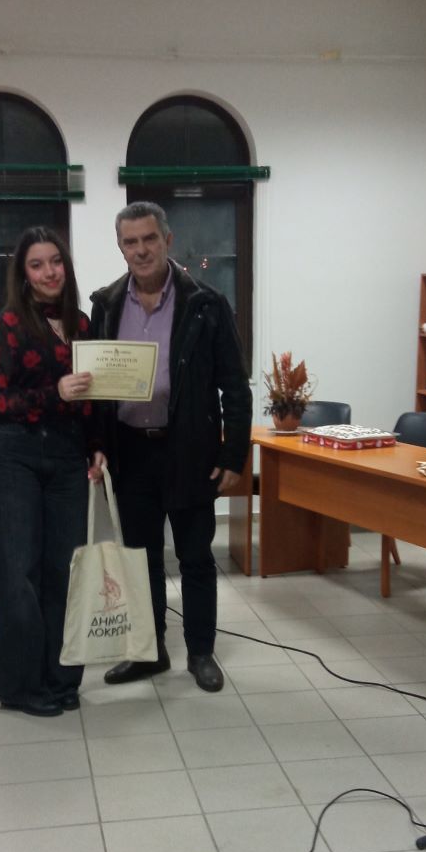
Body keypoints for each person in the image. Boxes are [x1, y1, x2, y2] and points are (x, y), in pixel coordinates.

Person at [88, 201, 252, 692]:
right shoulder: (106, 304)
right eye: (130, 242)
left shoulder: (205, 303)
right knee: (141, 561)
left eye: (149, 239)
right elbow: (97, 385)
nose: (141, 250)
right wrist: (97, 444)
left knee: (196, 556)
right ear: (120, 247)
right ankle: (150, 652)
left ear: (167, 240)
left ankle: (200, 652)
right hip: (129, 452)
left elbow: (235, 386)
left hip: (190, 450)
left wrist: (233, 454)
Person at [0, 226, 105, 717]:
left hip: (69, 456)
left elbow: (91, 397)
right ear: (24, 274)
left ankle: (60, 679)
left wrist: (96, 446)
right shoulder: (9, 324)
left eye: (55, 261)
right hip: (15, 455)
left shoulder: (81, 323)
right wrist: (55, 393)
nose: (49, 272)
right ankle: (20, 686)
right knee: (18, 576)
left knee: (64, 573)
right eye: (37, 264)